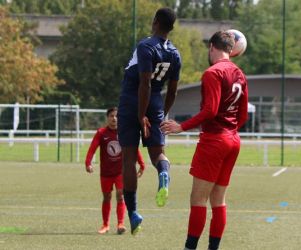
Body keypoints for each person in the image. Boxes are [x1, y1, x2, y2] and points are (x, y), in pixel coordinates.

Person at [161, 31, 248, 250]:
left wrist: (181, 126)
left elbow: (210, 110)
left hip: (214, 141)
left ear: (212, 47)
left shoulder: (213, 73)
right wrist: (229, 132)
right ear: (231, 49)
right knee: (218, 200)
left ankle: (190, 247)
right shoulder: (240, 74)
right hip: (233, 140)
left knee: (198, 199)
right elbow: (243, 115)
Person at [117, 7, 181, 234]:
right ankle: (163, 172)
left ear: (155, 21)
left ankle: (133, 213)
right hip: (155, 103)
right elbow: (172, 91)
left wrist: (140, 114)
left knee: (129, 158)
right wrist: (161, 114)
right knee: (157, 154)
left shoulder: (145, 46)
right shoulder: (174, 53)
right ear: (171, 28)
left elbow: (144, 83)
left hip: (133, 101)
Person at [85, 107, 146, 234]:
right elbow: (92, 149)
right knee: (107, 197)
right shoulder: (101, 133)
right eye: (111, 116)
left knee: (120, 195)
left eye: (116, 116)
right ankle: (105, 225)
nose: (114, 118)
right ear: (107, 118)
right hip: (106, 173)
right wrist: (88, 162)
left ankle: (120, 224)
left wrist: (142, 164)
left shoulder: (123, 132)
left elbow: (133, 148)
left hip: (120, 172)